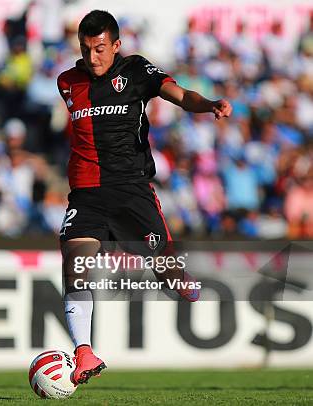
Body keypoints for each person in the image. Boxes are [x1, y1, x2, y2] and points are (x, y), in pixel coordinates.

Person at [56, 10, 232, 385]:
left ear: (116, 45)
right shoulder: (67, 81)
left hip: (131, 190)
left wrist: (209, 104)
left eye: (100, 49)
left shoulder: (136, 71)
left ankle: (177, 274)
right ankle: (84, 352)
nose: (93, 58)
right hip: (86, 193)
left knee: (165, 272)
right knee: (75, 265)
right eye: (86, 50)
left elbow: (182, 96)